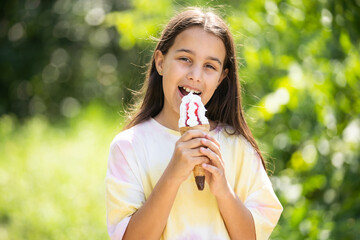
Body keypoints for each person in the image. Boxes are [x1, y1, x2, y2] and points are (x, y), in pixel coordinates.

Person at [106, 7, 283, 240]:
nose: (195, 75)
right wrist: (172, 175)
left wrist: (223, 191)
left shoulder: (237, 147)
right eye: (185, 59)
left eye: (210, 66)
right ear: (160, 62)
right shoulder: (129, 146)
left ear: (221, 78)